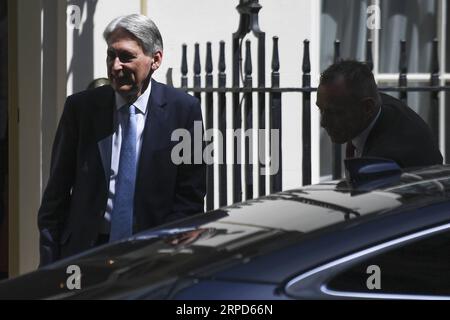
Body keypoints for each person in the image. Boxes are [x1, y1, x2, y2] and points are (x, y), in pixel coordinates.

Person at [38, 14, 206, 266]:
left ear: (155, 60)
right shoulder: (80, 109)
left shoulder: (185, 110)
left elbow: (190, 198)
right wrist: (49, 264)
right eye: (110, 55)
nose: (115, 66)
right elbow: (55, 197)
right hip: (85, 254)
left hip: (153, 254)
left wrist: (169, 257)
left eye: (126, 57)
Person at [316, 60, 443, 168]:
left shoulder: (386, 160)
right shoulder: (375, 106)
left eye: (335, 112)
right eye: (320, 109)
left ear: (367, 108)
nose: (324, 122)